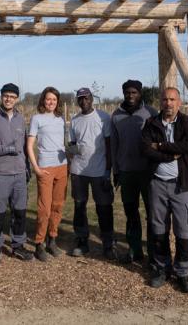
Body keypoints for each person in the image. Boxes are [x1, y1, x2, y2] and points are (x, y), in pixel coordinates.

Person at [141, 87, 188, 293]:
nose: (168, 103)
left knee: (183, 229)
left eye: (172, 99)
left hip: (180, 184)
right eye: (165, 99)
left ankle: (182, 273)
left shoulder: (187, 122)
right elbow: (145, 149)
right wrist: (169, 155)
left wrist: (161, 145)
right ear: (160, 102)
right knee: (158, 228)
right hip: (157, 183)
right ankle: (161, 269)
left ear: (179, 102)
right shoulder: (151, 123)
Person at [0, 83, 34, 262]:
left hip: (20, 173)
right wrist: (5, 149)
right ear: (1, 97)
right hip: (0, 173)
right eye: (6, 95)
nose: (9, 99)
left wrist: (27, 169)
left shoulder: (21, 119)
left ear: (17, 99)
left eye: (12, 96)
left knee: (19, 212)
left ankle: (17, 245)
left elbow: (25, 147)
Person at [110, 79, 157, 264]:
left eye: (134, 92)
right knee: (131, 213)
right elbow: (114, 145)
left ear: (140, 93)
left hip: (148, 172)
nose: (130, 96)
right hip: (126, 172)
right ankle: (134, 250)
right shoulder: (116, 115)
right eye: (127, 92)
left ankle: (154, 253)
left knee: (152, 213)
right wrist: (116, 170)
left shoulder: (151, 113)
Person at [67, 87, 116, 259]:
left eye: (86, 98)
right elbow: (72, 144)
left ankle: (108, 243)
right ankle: (82, 241)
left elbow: (109, 145)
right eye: (80, 99)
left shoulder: (103, 118)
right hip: (79, 171)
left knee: (104, 207)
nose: (83, 102)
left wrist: (107, 170)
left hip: (99, 170)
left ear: (92, 99)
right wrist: (71, 151)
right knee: (79, 206)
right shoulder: (74, 121)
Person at [26, 86, 68, 262]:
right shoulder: (37, 119)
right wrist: (35, 167)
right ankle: (39, 243)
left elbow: (64, 142)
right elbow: (29, 145)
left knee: (58, 205)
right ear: (43, 100)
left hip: (62, 166)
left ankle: (52, 239)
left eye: (54, 99)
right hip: (45, 168)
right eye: (48, 99)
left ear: (57, 102)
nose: (51, 102)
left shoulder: (61, 119)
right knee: (44, 207)